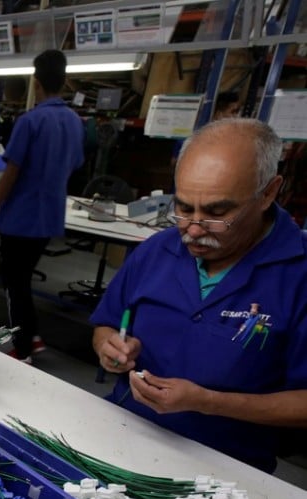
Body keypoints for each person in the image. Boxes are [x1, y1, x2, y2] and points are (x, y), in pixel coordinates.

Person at [90, 118, 307, 473]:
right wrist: (108, 347)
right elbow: (106, 324)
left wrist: (209, 402)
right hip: (123, 434)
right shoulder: (156, 250)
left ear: (269, 192)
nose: (192, 229)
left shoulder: (299, 275)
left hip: (224, 468)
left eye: (217, 214)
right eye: (184, 208)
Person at [0, 50, 86, 363]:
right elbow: (75, 165)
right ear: (63, 80)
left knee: (13, 283)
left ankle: (23, 347)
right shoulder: (75, 122)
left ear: (35, 81)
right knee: (22, 279)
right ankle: (31, 336)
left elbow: (9, 177)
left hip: (20, 218)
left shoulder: (30, 121)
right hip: (49, 219)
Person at [170, 91, 241, 170]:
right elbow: (174, 161)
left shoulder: (230, 138)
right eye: (233, 112)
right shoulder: (194, 133)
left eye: (237, 112)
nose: (236, 117)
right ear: (219, 114)